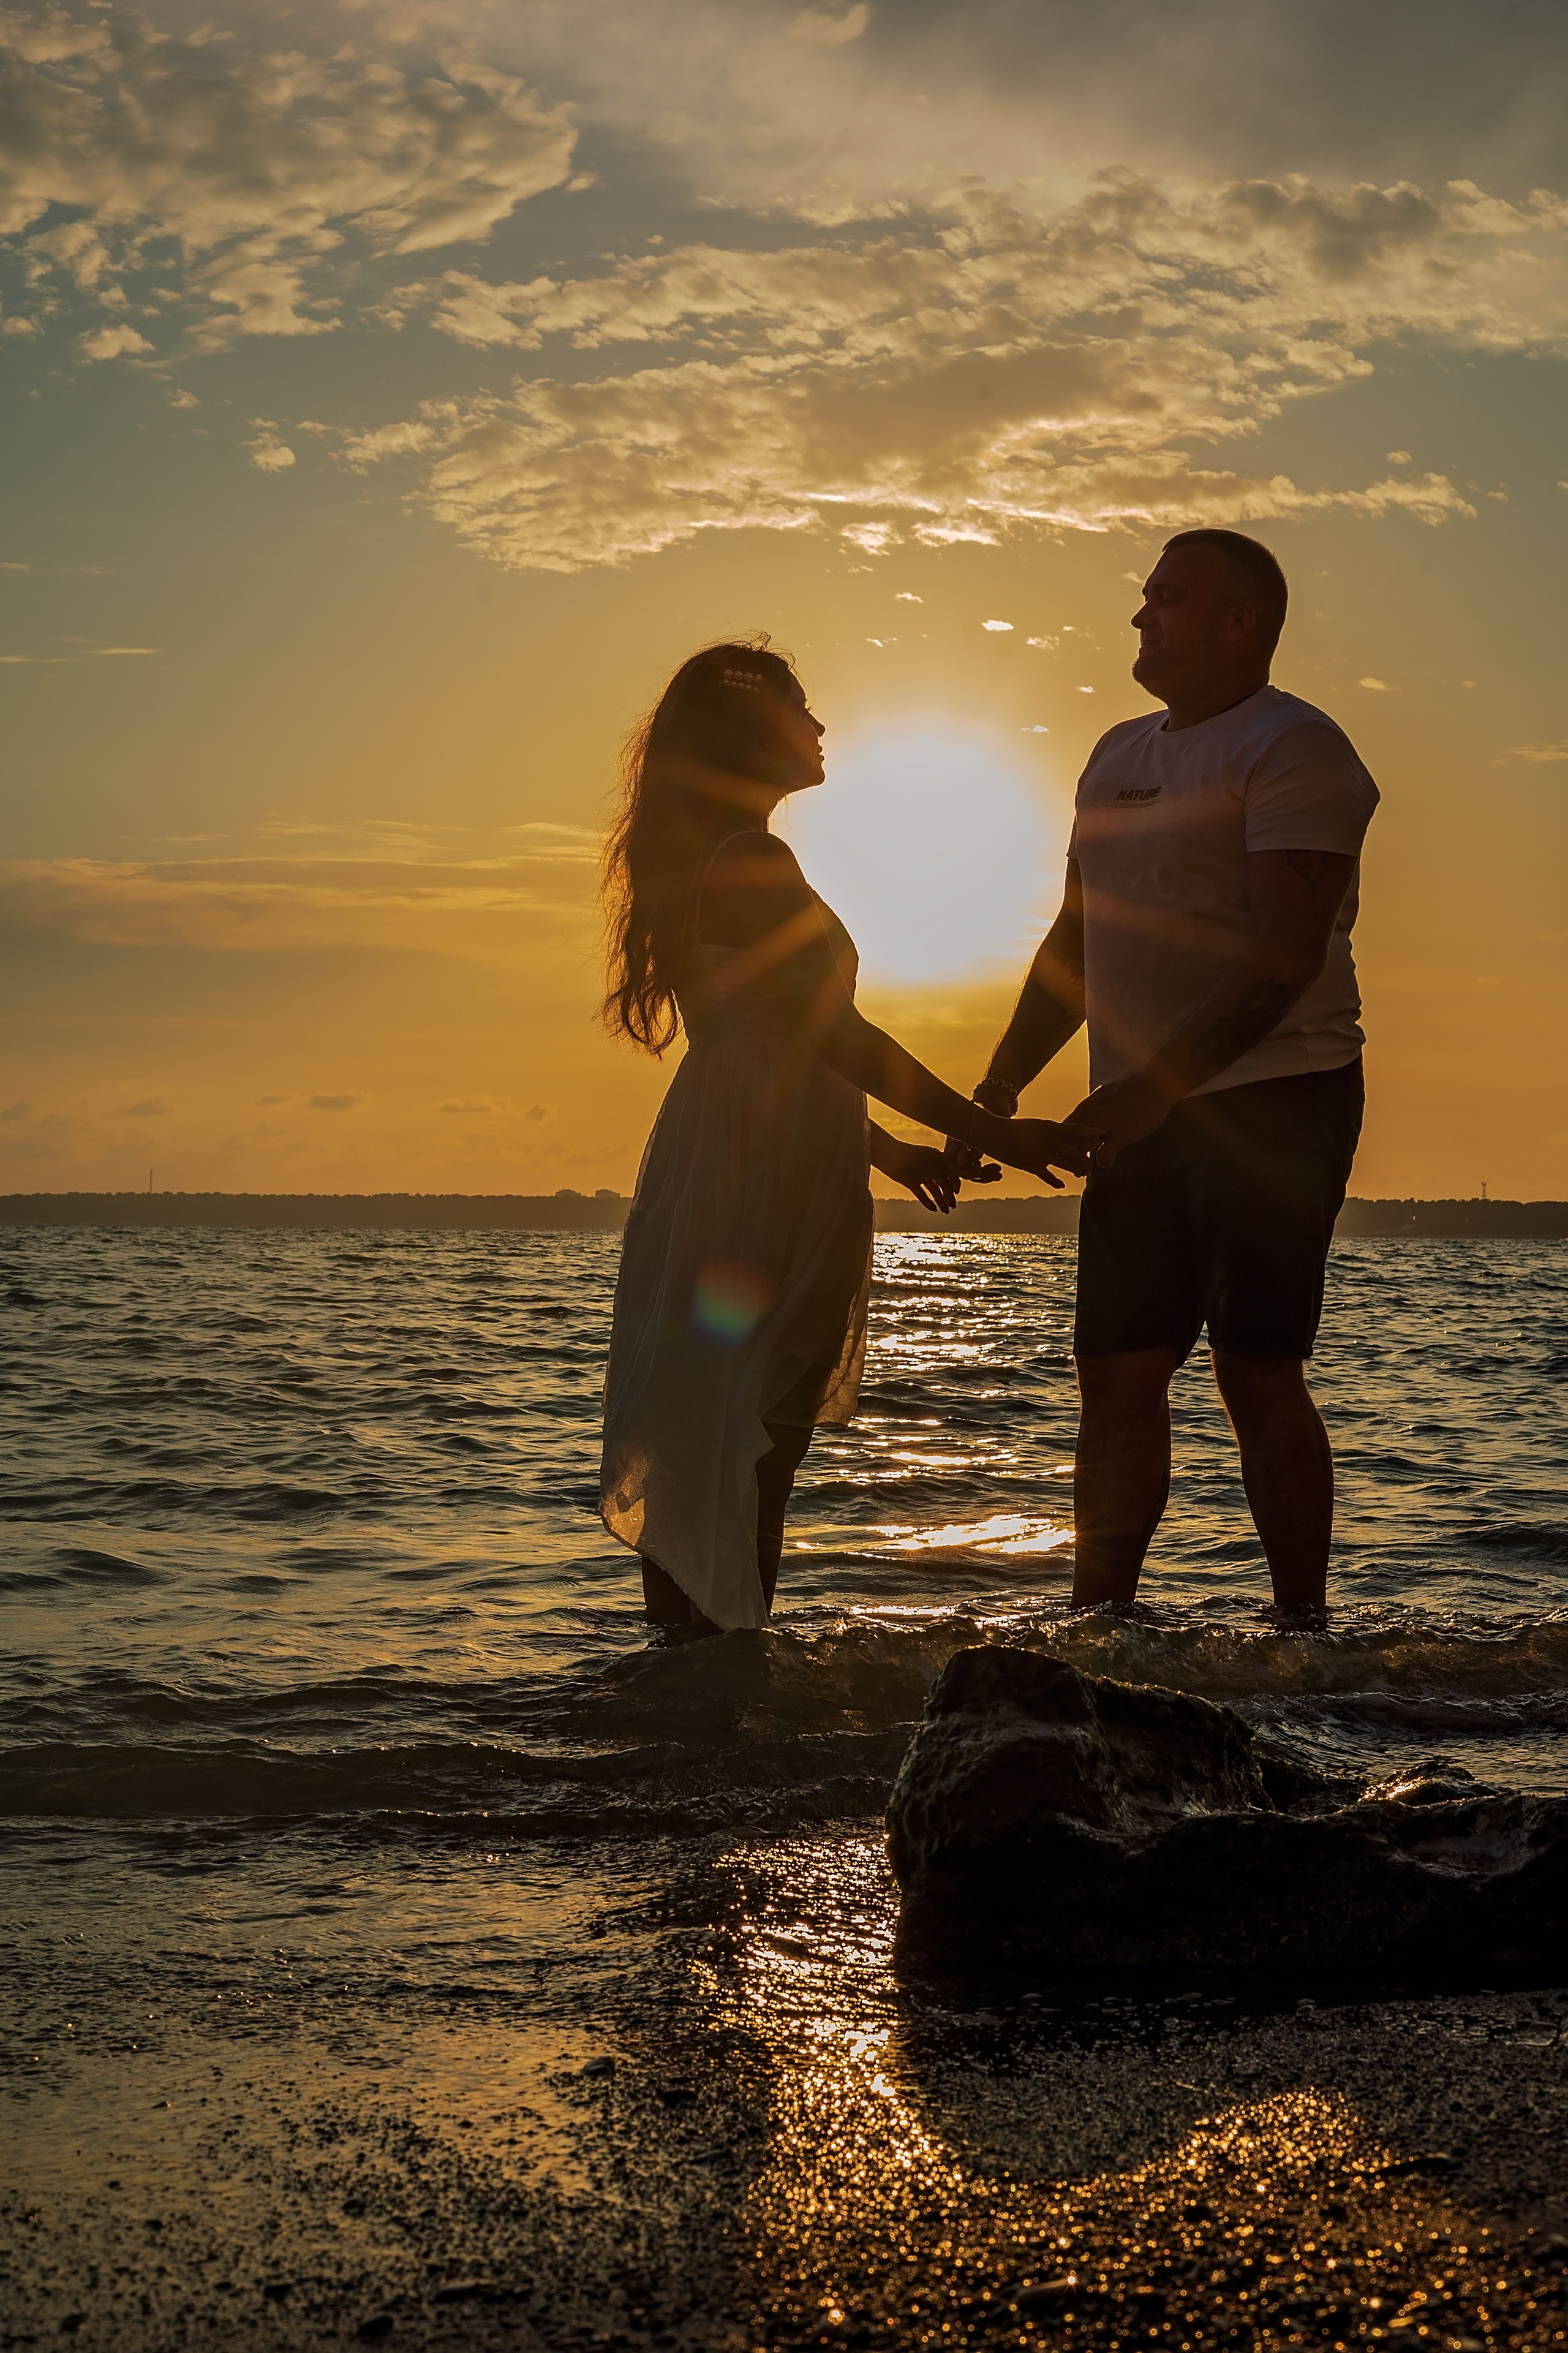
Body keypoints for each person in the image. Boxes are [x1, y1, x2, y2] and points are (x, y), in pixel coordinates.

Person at [599, 637, 1095, 1634]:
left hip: (746, 1158)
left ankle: (696, 1689)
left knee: (720, 1429)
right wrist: (999, 1124)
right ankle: (718, 1683)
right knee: (753, 1443)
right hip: (766, 1185)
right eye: (802, 707)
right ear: (756, 730)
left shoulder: (712, 858)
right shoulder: (754, 862)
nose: (821, 728)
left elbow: (773, 1049)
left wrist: (893, 1153)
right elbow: (836, 1035)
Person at [956, 529, 1379, 1617]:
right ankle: (1100, 1625)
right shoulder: (1115, 755)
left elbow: (1286, 955)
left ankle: (1304, 1628)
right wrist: (996, 1090)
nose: (1142, 617)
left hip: (1278, 1096)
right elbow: (1075, 943)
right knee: (1118, 1373)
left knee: (1255, 1367)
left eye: (1169, 599)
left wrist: (1158, 1085)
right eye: (1145, 598)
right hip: (1140, 1118)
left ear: (1243, 624)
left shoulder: (1298, 749)